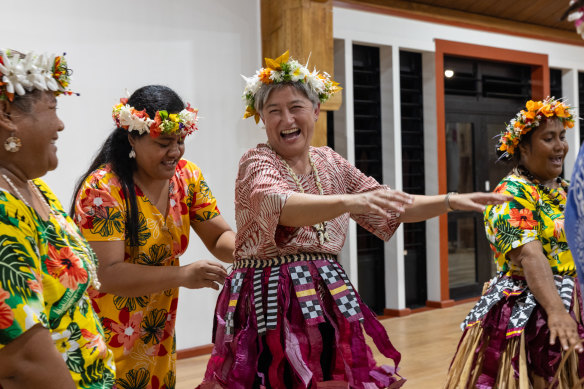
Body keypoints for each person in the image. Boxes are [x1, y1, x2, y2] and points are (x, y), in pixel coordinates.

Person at [198, 51, 511, 388]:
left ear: (316, 110)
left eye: (296, 107)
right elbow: (278, 202)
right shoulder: (257, 161)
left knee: (333, 377)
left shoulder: (329, 161)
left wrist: (450, 201)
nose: (286, 119)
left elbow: (388, 203)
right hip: (268, 294)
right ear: (261, 117)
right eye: (274, 111)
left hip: (325, 290)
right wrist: (352, 200)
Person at [70, 85, 235, 388]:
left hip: (157, 331)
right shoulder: (103, 189)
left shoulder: (188, 177)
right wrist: (183, 274)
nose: (175, 152)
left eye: (181, 141)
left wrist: (255, 252)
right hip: (108, 332)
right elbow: (107, 274)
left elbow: (218, 235)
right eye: (164, 143)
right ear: (133, 137)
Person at [444, 97, 584, 388]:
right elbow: (531, 256)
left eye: (562, 137)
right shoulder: (511, 194)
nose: (560, 146)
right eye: (549, 138)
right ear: (523, 147)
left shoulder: (568, 190)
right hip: (535, 306)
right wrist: (557, 311)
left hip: (576, 298)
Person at [0, 49, 115, 388]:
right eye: (52, 108)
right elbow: (21, 362)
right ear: (6, 113)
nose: (60, 124)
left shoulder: (36, 189)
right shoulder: (3, 213)